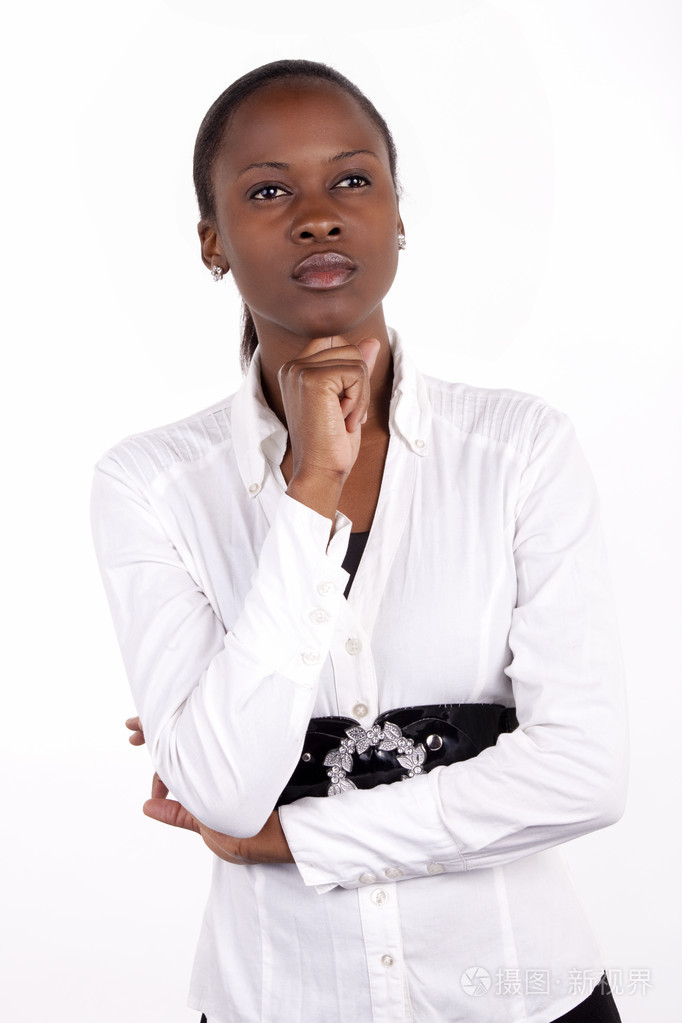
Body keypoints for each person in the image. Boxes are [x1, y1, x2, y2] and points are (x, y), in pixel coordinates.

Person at [91, 59, 627, 1023]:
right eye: (268, 191)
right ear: (212, 241)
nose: (318, 216)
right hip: (277, 998)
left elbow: (583, 771)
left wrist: (294, 836)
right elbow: (223, 789)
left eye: (351, 179)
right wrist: (310, 492)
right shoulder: (151, 486)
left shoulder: (519, 451)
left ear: (398, 215)